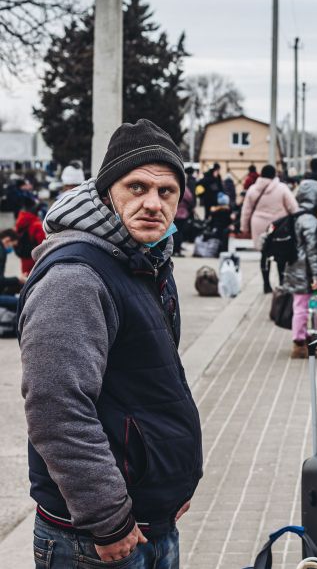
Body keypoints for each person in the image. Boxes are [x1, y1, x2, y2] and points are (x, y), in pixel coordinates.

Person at [19, 118, 203, 568]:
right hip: (97, 541)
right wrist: (109, 519)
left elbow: (149, 390)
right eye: (136, 187)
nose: (151, 203)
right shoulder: (77, 278)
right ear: (106, 193)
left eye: (166, 192)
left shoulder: (144, 261)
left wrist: (169, 487)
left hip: (149, 521)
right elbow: (56, 409)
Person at [282, 180, 317, 358]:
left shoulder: (296, 215)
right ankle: (299, 342)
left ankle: (305, 339)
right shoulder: (310, 220)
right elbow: (313, 251)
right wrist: (316, 274)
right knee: (302, 307)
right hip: (304, 270)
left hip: (293, 267)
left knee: (301, 305)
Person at [240, 164, 298, 293]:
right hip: (279, 226)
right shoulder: (282, 188)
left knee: (264, 254)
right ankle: (282, 283)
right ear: (274, 175)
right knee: (280, 255)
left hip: (259, 225)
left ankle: (266, 284)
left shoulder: (253, 189)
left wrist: (244, 227)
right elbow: (293, 208)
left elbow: (246, 210)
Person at [14, 196, 46, 275]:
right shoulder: (36, 224)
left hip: (24, 255)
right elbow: (42, 244)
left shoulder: (20, 220)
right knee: (35, 278)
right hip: (34, 257)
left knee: (25, 276)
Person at [173, 184, 196, 256]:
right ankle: (177, 250)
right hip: (182, 214)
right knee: (179, 233)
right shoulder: (185, 189)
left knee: (173, 233)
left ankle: (174, 250)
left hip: (174, 213)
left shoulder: (174, 188)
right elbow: (190, 199)